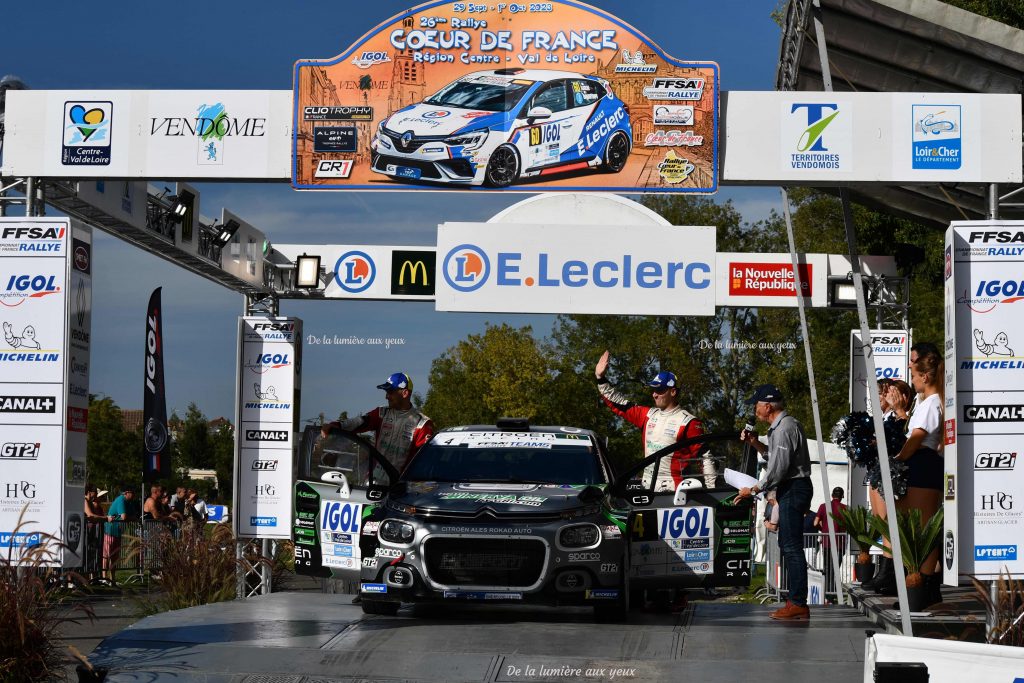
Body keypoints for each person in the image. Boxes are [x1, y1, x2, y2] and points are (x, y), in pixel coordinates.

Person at [734, 383, 813, 621]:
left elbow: (778, 468)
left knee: (791, 547)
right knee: (789, 546)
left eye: (756, 405)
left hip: (794, 487)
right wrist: (755, 444)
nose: (755, 410)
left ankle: (798, 602)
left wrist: (755, 488)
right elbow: (776, 458)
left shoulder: (784, 428)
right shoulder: (782, 427)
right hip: (793, 487)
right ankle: (795, 601)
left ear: (767, 406)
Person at [594, 350, 704, 492]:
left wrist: (714, 497)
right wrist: (600, 378)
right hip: (647, 488)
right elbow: (619, 403)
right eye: (653, 390)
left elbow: (706, 459)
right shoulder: (648, 415)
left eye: (659, 390)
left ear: (673, 392)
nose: (654, 394)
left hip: (675, 492)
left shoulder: (689, 421)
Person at [888, 349, 945, 605]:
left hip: (923, 464)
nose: (912, 381)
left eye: (913, 375)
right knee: (916, 527)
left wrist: (898, 459)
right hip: (920, 464)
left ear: (924, 375)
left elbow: (918, 438)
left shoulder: (932, 403)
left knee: (922, 527)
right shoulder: (928, 402)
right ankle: (920, 585)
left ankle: (923, 586)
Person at [322, 372, 434, 477]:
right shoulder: (382, 413)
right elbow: (359, 422)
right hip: (372, 481)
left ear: (404, 393)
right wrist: (336, 425)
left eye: (390, 392)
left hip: (398, 486)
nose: (386, 397)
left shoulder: (422, 423)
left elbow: (423, 461)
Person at [103, 486, 141, 586]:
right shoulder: (121, 500)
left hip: (118, 532)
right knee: (107, 555)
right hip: (110, 531)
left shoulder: (129, 502)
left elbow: (135, 516)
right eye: (132, 493)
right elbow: (124, 517)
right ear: (126, 492)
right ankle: (103, 578)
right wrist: (130, 517)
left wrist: (130, 517)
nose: (134, 495)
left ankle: (112, 579)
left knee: (115, 557)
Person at [814, 487, 848, 594]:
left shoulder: (824, 506)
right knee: (836, 568)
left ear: (832, 495)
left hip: (827, 542)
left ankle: (827, 591)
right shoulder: (845, 508)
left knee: (827, 568)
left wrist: (823, 528)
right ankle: (833, 591)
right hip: (840, 543)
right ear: (842, 496)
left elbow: (815, 523)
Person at [83, 485, 107, 584]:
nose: (96, 496)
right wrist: (105, 518)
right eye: (95, 493)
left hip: (91, 532)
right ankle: (85, 579)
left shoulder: (89, 502)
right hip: (85, 532)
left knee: (91, 554)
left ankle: (90, 579)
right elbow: (90, 515)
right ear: (89, 492)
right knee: (86, 555)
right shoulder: (84, 501)